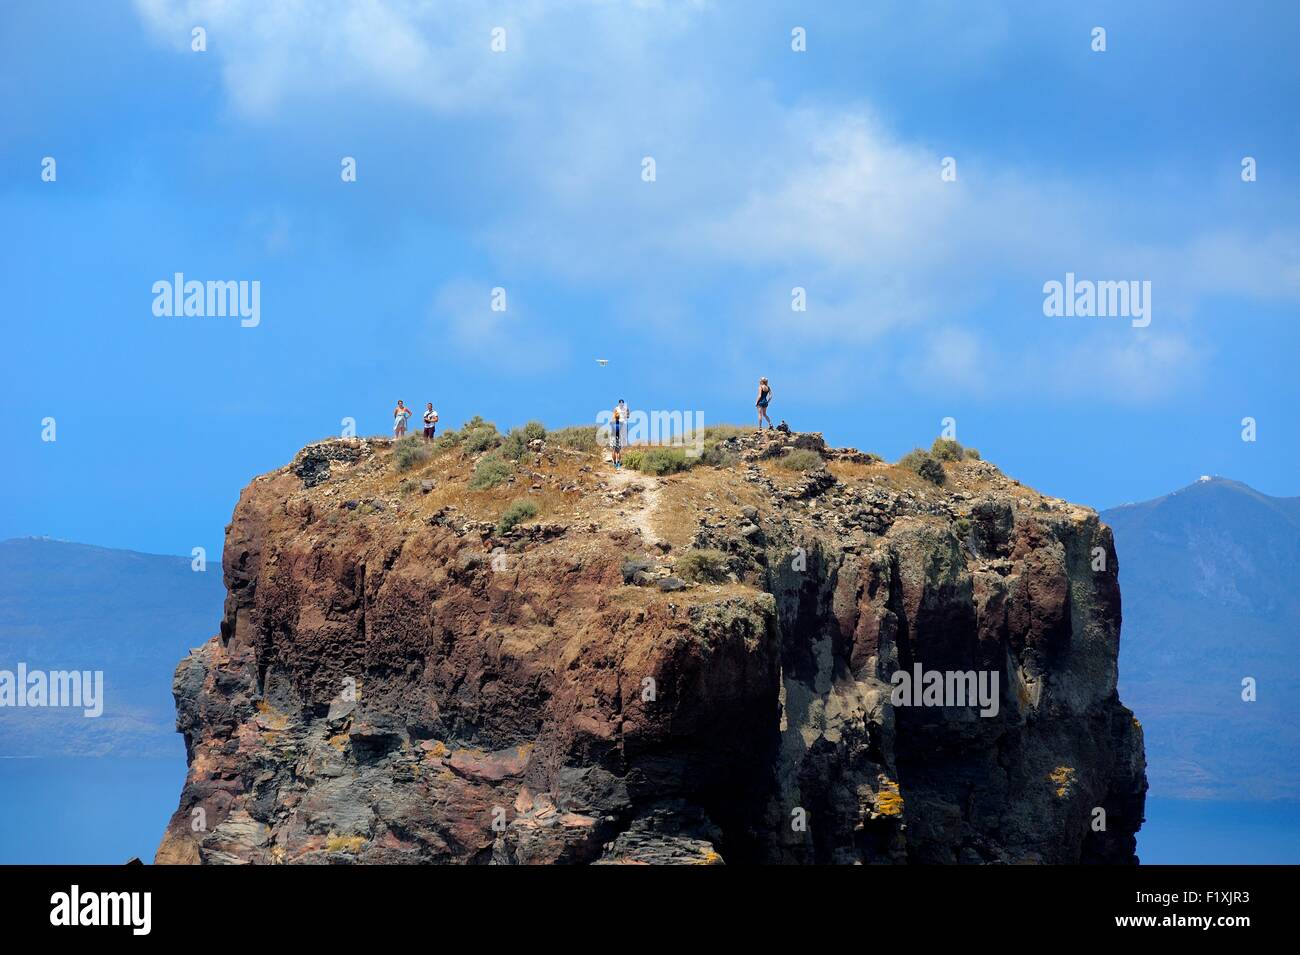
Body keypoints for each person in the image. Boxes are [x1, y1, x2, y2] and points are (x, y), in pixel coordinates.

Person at [611, 399, 626, 469]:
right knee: (618, 451)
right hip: (619, 436)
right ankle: (618, 463)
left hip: (613, 436)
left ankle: (614, 463)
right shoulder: (621, 423)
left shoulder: (612, 422)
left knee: (613, 450)